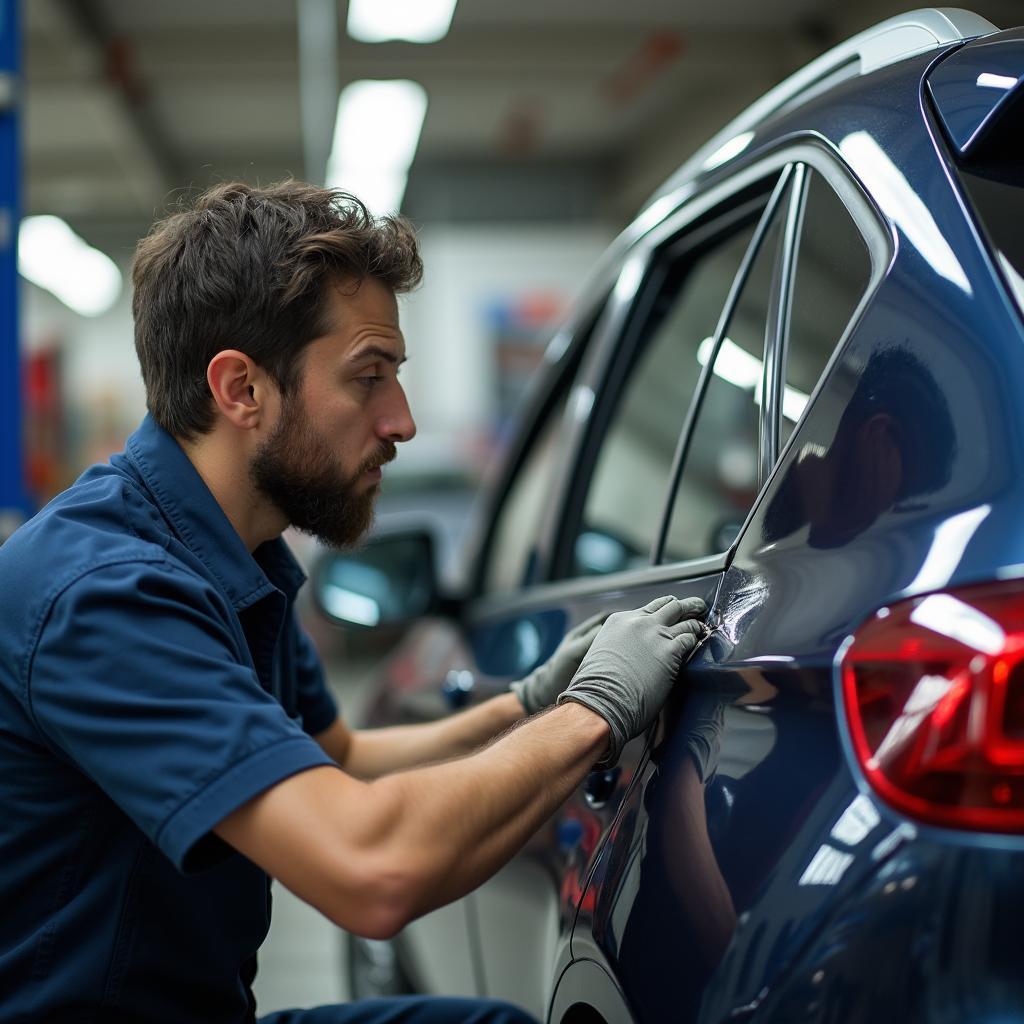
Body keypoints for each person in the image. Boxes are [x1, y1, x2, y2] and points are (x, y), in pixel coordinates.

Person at [0, 181, 707, 1024]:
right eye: (368, 378)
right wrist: (594, 713)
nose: (402, 421)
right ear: (241, 390)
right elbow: (371, 869)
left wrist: (523, 705)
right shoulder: (107, 595)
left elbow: (338, 760)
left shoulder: (237, 556)